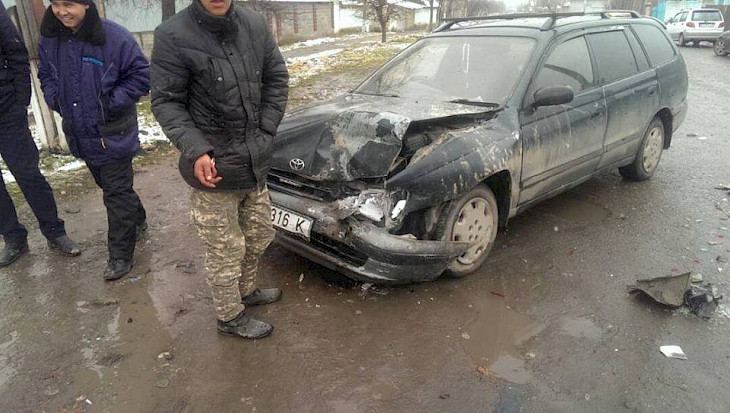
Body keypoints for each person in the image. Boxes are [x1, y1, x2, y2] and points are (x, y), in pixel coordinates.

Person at [151, 0, 288, 339]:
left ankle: (245, 291)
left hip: (254, 161)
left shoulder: (254, 24)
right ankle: (229, 316)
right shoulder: (173, 34)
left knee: (259, 235)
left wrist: (266, 129)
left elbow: (276, 78)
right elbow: (167, 102)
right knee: (225, 250)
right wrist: (196, 149)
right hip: (212, 168)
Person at [38, 0, 149, 280]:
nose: (61, 11)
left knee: (116, 193)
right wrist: (55, 99)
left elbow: (141, 75)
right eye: (55, 4)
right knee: (111, 186)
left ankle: (120, 255)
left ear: (86, 5)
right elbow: (46, 75)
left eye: (69, 4)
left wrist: (110, 104)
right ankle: (137, 217)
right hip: (80, 131)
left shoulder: (115, 37)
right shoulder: (51, 39)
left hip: (112, 131)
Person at [0, 0, 81, 268]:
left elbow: (15, 52)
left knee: (28, 174)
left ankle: (55, 232)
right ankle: (13, 237)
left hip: (6, 112)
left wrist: (20, 101)